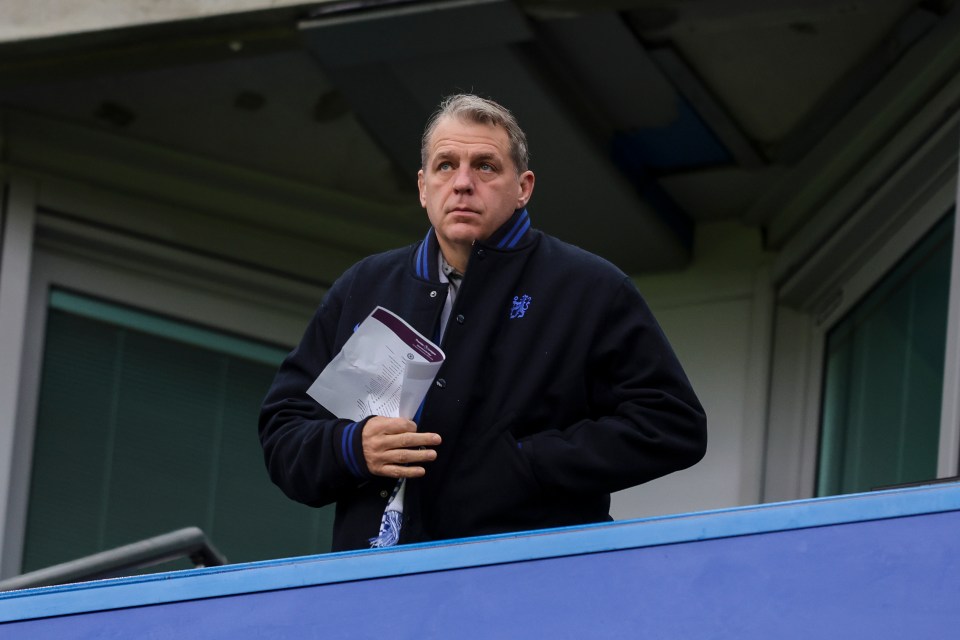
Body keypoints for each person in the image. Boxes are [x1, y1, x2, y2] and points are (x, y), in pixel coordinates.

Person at [259, 93, 707, 551]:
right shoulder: (366, 287)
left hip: (529, 581)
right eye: (445, 165)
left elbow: (672, 425)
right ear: (422, 187)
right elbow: (284, 433)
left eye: (486, 167)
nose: (463, 183)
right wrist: (353, 447)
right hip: (378, 588)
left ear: (524, 187)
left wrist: (524, 463)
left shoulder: (589, 288)